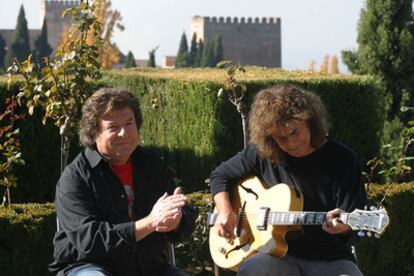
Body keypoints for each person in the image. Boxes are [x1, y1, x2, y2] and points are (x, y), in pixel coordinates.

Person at [210, 84, 367, 276]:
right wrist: (225, 211)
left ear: (310, 122)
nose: (291, 143)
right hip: (276, 256)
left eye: (295, 132)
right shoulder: (263, 154)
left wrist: (344, 228)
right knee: (253, 269)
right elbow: (220, 175)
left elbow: (355, 230)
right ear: (269, 139)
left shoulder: (343, 160)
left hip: (331, 259)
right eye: (281, 138)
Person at [49, 88, 195, 276]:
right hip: (90, 267)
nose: (123, 133)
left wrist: (176, 221)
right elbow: (91, 241)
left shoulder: (152, 164)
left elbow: (186, 217)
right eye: (113, 127)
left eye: (128, 123)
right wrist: (150, 222)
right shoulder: (75, 178)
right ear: (94, 134)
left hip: (151, 268)